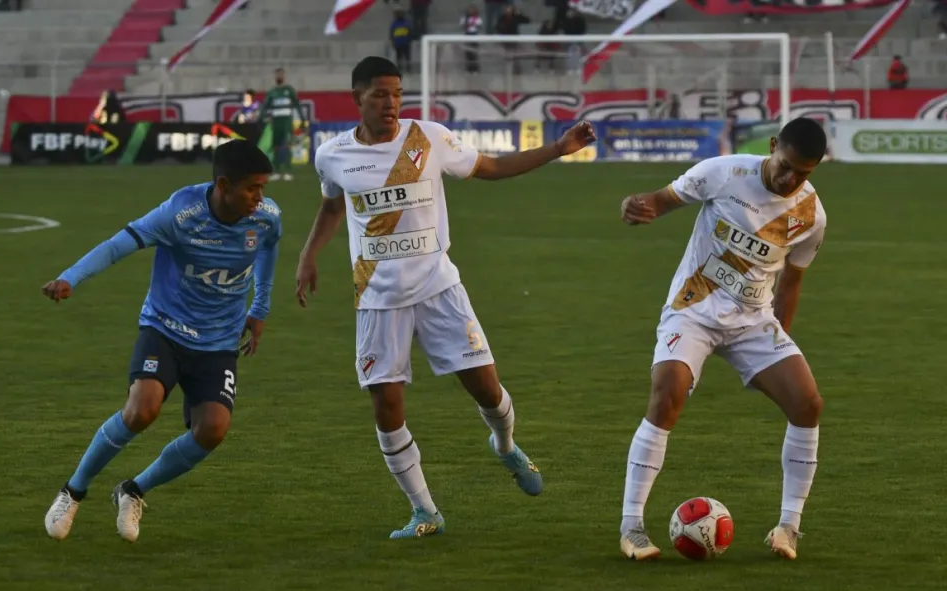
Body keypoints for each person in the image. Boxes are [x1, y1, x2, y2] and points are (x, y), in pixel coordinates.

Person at [296, 56, 596, 540]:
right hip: (377, 300)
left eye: (396, 93)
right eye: (379, 94)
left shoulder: (428, 138)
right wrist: (309, 254)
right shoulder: (332, 155)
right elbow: (332, 205)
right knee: (386, 407)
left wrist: (560, 148)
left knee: (488, 392)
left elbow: (492, 166)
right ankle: (425, 512)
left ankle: (504, 445)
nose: (391, 103)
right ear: (357, 99)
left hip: (439, 289)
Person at [42, 140, 281, 543]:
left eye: (263, 187)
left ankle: (132, 490)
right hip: (166, 329)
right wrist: (71, 277)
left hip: (219, 341)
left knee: (213, 430)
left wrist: (260, 307)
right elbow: (119, 244)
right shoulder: (179, 213)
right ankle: (73, 490)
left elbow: (268, 250)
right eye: (252, 188)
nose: (260, 197)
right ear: (223, 184)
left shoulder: (266, 217)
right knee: (142, 410)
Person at [617, 117, 829, 561]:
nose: (791, 179)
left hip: (753, 322)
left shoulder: (811, 217)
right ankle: (632, 526)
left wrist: (777, 350)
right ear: (772, 146)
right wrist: (640, 207)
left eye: (804, 173)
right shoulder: (724, 172)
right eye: (786, 166)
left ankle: (788, 527)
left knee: (807, 403)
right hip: (692, 310)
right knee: (668, 393)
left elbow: (791, 284)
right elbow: (660, 200)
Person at [260, 67, 302, 181]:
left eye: (281, 74)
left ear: (284, 76)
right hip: (276, 122)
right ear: (275, 77)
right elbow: (265, 107)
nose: (279, 77)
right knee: (276, 146)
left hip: (287, 122)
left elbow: (297, 105)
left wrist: (302, 119)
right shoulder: (272, 92)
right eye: (277, 75)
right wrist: (262, 118)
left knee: (287, 145)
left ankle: (288, 170)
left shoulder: (289, 90)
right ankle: (276, 170)